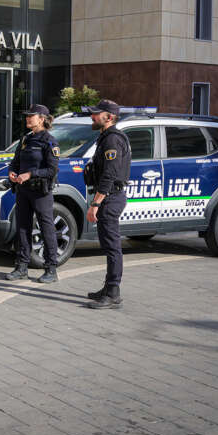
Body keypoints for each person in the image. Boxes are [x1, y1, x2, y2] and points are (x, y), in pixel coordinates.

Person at [83, 99, 131, 309]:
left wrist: (96, 204)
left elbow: (110, 174)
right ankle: (108, 288)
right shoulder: (106, 138)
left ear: (109, 117)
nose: (92, 117)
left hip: (110, 198)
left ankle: (113, 293)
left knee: (112, 247)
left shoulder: (112, 140)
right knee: (108, 245)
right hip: (109, 197)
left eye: (96, 114)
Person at [4, 104, 60, 283]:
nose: (28, 118)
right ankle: (21, 267)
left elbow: (52, 170)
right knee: (22, 228)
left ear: (42, 119)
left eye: (31, 116)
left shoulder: (49, 141)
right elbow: (15, 161)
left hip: (40, 192)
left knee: (46, 229)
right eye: (27, 116)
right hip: (23, 190)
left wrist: (30, 174)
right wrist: (12, 172)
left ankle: (51, 269)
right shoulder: (25, 139)